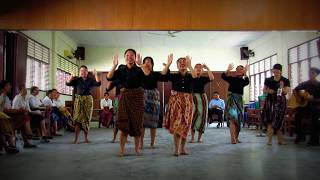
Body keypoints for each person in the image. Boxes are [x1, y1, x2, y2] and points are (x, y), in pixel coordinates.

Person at [107, 49, 150, 156]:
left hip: (137, 98)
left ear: (135, 57)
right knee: (123, 124)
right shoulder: (121, 69)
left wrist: (141, 65)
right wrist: (114, 66)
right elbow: (109, 77)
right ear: (124, 57)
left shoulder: (140, 69)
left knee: (137, 124)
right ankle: (121, 150)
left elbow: (147, 75)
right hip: (124, 98)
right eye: (127, 55)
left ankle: (136, 149)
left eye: (132, 55)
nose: (129, 57)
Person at [163, 54, 195, 156]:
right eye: (180, 62)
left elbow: (195, 76)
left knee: (186, 125)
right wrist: (168, 64)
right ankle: (176, 149)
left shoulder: (191, 76)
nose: (182, 63)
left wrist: (190, 66)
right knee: (177, 125)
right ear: (177, 65)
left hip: (188, 102)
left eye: (184, 62)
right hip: (175, 103)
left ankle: (182, 149)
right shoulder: (174, 76)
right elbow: (164, 74)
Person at [66, 65, 101, 144]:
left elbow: (98, 83)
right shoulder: (77, 79)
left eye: (85, 71)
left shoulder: (91, 80)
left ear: (87, 72)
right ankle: (76, 139)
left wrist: (96, 75)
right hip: (78, 100)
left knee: (86, 120)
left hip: (88, 100)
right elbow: (68, 84)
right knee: (78, 120)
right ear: (80, 72)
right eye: (81, 71)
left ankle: (86, 138)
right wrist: (71, 76)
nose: (83, 72)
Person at [140, 56, 168, 149]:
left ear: (152, 64)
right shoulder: (140, 74)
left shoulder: (155, 74)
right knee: (142, 122)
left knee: (153, 122)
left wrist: (168, 65)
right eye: (145, 62)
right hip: (143, 96)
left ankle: (152, 143)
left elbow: (164, 75)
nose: (147, 63)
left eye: (149, 62)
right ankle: (141, 143)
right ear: (143, 64)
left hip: (154, 98)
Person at [262, 64, 290, 145]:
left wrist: (281, 86)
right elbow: (264, 90)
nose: (276, 71)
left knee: (279, 120)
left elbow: (285, 92)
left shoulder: (285, 80)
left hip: (281, 102)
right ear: (273, 70)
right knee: (270, 121)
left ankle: (280, 140)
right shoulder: (268, 79)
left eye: (278, 70)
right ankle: (269, 141)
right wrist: (268, 91)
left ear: (280, 71)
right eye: (275, 70)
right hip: (270, 101)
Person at [221, 63, 249, 144]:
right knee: (233, 119)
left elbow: (247, 81)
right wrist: (228, 69)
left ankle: (236, 138)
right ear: (235, 71)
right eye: (238, 69)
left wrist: (246, 72)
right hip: (231, 100)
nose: (239, 70)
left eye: (241, 69)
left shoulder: (244, 80)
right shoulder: (232, 78)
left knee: (238, 120)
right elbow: (223, 76)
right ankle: (232, 138)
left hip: (239, 100)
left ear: (243, 71)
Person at [293, 67, 320, 146]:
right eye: (309, 72)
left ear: (316, 75)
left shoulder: (318, 85)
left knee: (315, 117)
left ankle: (314, 140)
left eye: (312, 73)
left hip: (315, 106)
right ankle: (300, 136)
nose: (310, 74)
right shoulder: (305, 83)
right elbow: (295, 90)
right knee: (297, 115)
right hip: (305, 106)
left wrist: (313, 99)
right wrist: (298, 98)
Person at [190, 63, 214, 143]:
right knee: (193, 116)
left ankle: (199, 138)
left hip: (203, 97)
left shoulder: (203, 78)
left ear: (202, 71)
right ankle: (192, 137)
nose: (199, 69)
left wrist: (207, 68)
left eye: (200, 68)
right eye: (196, 68)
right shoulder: (191, 77)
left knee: (203, 116)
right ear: (194, 69)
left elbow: (212, 78)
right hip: (193, 97)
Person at [0, 80, 19, 153]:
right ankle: (7, 147)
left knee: (3, 128)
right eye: (8, 85)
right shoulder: (2, 95)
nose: (10, 87)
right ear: (4, 87)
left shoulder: (4, 96)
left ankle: (8, 146)